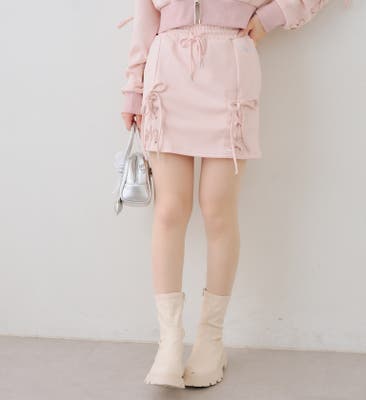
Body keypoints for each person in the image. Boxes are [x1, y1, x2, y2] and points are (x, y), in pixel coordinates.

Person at [119, 0, 333, 389]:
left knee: (217, 210)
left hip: (230, 72)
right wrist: (134, 89)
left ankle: (210, 340)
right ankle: (169, 343)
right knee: (169, 210)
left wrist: (271, 16)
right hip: (166, 76)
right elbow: (145, 15)